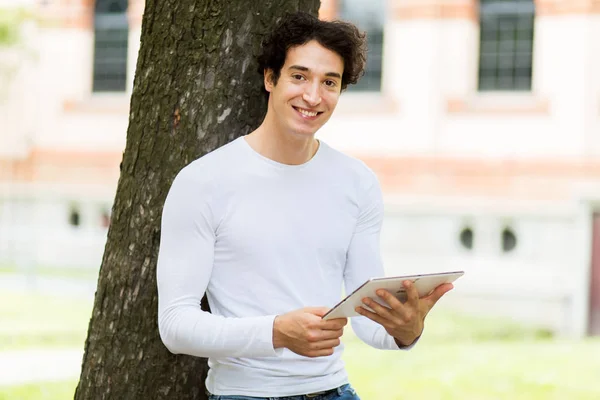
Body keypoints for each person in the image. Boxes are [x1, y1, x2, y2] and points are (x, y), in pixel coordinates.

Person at [157, 11, 453, 400]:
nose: (313, 96)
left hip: (333, 390)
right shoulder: (203, 182)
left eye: (329, 82)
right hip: (243, 395)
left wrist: (406, 329)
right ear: (270, 78)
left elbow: (367, 323)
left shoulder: (356, 182)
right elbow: (175, 325)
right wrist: (276, 332)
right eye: (299, 76)